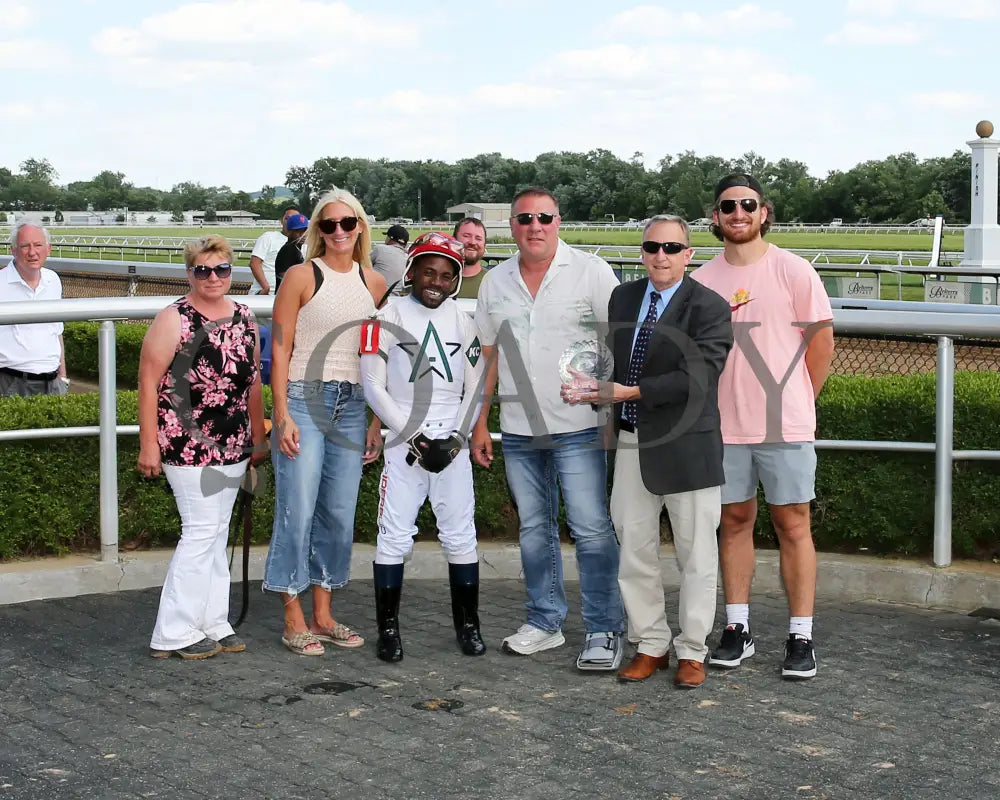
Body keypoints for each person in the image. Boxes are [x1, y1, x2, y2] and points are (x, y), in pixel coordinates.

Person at [562, 215, 732, 688]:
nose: (661, 255)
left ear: (688, 254)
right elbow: (613, 361)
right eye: (652, 246)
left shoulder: (710, 306)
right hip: (634, 443)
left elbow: (699, 377)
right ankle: (650, 644)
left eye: (672, 248)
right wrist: (592, 385)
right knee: (634, 551)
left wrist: (626, 392)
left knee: (696, 556)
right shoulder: (624, 296)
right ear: (642, 250)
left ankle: (693, 650)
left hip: (688, 445)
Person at [471, 187, 625, 671]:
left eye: (544, 217)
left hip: (580, 426)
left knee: (591, 529)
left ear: (559, 220)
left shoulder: (592, 272)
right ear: (511, 226)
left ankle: (604, 628)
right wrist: (479, 423)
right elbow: (487, 358)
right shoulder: (495, 283)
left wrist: (610, 396)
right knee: (535, 531)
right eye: (524, 218)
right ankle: (545, 622)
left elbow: (618, 342)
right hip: (519, 430)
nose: (534, 226)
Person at [691, 174, 835, 680]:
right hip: (723, 427)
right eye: (728, 206)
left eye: (747, 205)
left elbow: (820, 347)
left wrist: (795, 403)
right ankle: (738, 628)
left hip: (784, 424)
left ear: (764, 211)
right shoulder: (702, 280)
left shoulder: (795, 271)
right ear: (715, 216)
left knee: (793, 524)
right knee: (732, 522)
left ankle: (800, 635)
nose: (738, 214)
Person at [264, 188, 387, 657]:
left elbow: (375, 358)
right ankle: (292, 616)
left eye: (347, 223)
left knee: (338, 513)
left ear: (360, 227)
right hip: (304, 397)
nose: (339, 232)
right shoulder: (300, 275)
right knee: (297, 509)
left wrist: (376, 420)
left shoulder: (373, 283)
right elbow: (278, 347)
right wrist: (281, 412)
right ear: (317, 230)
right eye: (329, 224)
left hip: (353, 405)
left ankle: (324, 612)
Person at [137, 235, 266, 659]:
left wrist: (258, 439)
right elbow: (148, 383)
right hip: (185, 442)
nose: (213, 277)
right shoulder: (174, 318)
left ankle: (213, 620)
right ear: (189, 273)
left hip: (233, 441)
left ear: (232, 272)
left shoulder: (246, 317)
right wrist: (149, 444)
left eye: (221, 269)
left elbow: (253, 384)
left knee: (216, 534)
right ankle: (172, 632)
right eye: (203, 270)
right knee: (199, 532)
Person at [360, 232, 486, 662]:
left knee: (460, 534)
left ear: (456, 280)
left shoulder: (464, 321)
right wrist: (415, 437)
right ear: (411, 271)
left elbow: (476, 386)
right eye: (428, 272)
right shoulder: (384, 316)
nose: (437, 281)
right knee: (394, 536)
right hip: (403, 439)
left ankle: (468, 626)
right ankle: (388, 630)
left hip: (452, 441)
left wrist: (458, 437)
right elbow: (373, 386)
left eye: (447, 275)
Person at [0, 222, 69, 397]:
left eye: (38, 245)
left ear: (49, 249)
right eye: (25, 246)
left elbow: (56, 331)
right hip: (10, 383)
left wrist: (63, 376)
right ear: (13, 250)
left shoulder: (53, 280)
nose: (32, 252)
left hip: (53, 384)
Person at [248, 207, 300, 296]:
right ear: (282, 220)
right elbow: (254, 263)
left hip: (288, 295)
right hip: (265, 293)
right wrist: (265, 287)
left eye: (295, 219)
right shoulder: (268, 237)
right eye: (287, 218)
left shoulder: (302, 244)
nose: (291, 221)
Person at [274, 212, 309, 292]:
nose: (303, 235)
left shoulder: (296, 248)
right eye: (298, 231)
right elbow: (283, 275)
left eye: (305, 231)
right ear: (289, 232)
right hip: (286, 295)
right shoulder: (288, 249)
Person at [453, 217, 487, 300]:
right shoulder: (438, 281)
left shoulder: (494, 282)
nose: (472, 242)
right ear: (453, 240)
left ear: (485, 245)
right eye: (466, 236)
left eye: (478, 238)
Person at [370, 224, 409, 295]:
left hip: (375, 299)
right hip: (395, 300)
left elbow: (363, 265)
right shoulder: (408, 258)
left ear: (390, 238)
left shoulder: (380, 249)